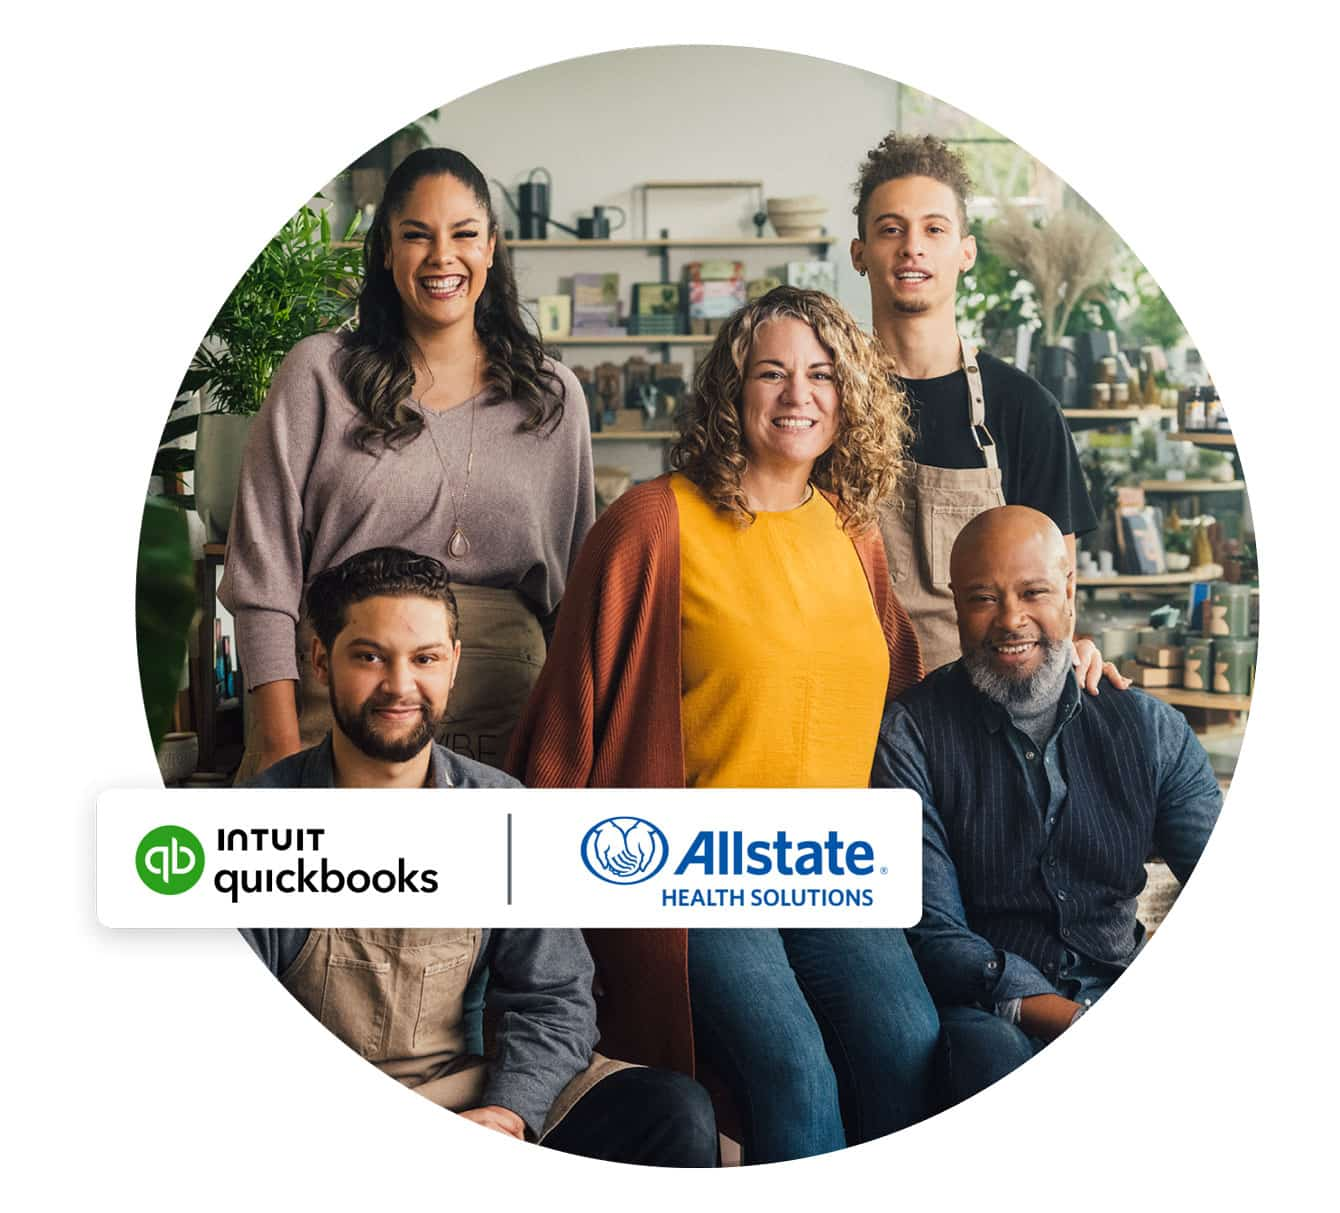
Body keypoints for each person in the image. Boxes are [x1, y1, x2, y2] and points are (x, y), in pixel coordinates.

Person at [509, 287, 939, 1163]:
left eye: (820, 374)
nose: (797, 395)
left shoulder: (853, 536)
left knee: (910, 1041)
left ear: (849, 393)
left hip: (830, 858)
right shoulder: (652, 522)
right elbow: (569, 710)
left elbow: (903, 700)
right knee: (793, 1067)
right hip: (697, 859)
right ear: (730, 390)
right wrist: (537, 891)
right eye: (771, 372)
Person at [242, 546, 717, 1166]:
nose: (400, 686)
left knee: (670, 1113)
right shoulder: (258, 823)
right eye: (369, 657)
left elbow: (554, 996)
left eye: (425, 659)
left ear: (454, 665)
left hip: (463, 1089)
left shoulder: (500, 808)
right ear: (320, 662)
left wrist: (508, 1110)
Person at [220, 146, 594, 780]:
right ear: (386, 251)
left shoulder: (552, 396)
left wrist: (570, 756)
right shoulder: (320, 375)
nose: (442, 256)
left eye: (464, 235)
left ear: (492, 247)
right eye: (416, 235)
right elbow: (264, 573)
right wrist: (280, 743)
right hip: (333, 708)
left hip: (509, 717)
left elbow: (578, 602)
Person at [871, 506, 1221, 1110]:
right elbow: (934, 930)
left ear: (1069, 594)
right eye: (984, 598)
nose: (1011, 620)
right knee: (990, 1062)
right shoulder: (912, 733)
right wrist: (1073, 1022)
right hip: (986, 1013)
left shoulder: (1150, 729)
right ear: (955, 604)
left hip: (1118, 985)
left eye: (1033, 592)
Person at [851, 132, 1125, 690]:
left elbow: (1057, 591)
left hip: (981, 715)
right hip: (847, 700)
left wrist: (1075, 648)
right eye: (890, 229)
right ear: (860, 254)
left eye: (934, 229)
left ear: (965, 252)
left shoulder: (1024, 409)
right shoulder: (824, 400)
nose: (912, 248)